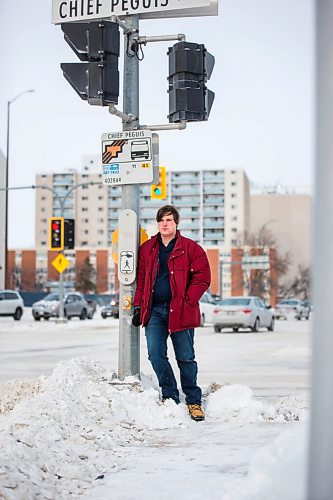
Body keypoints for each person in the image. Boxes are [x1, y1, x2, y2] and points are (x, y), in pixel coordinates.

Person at [132, 205, 211, 421]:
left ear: (176, 223)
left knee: (185, 358)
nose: (164, 224)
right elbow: (142, 280)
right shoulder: (148, 249)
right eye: (161, 220)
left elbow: (203, 277)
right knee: (155, 354)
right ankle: (170, 397)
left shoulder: (191, 248)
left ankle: (193, 401)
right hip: (155, 311)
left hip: (181, 310)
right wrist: (138, 306)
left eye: (169, 220)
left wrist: (188, 300)